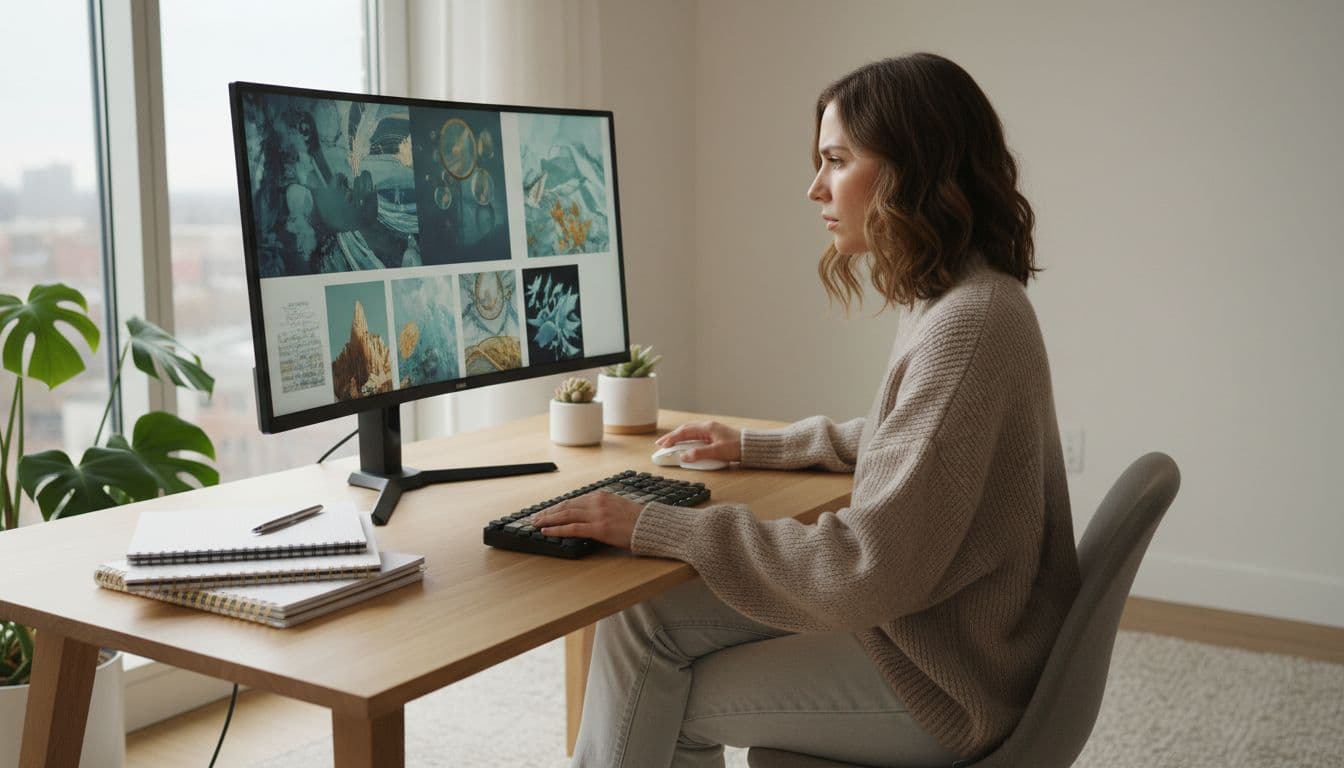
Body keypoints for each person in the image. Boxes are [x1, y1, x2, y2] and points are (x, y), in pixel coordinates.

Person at [531, 52, 1081, 768]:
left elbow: (863, 569)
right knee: (641, 618)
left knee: (668, 697)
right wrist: (756, 446)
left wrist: (662, 525)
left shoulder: (967, 325)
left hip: (946, 677)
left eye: (837, 160)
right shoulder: (962, 297)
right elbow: (915, 445)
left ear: (910, 168)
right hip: (930, 628)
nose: (815, 187)